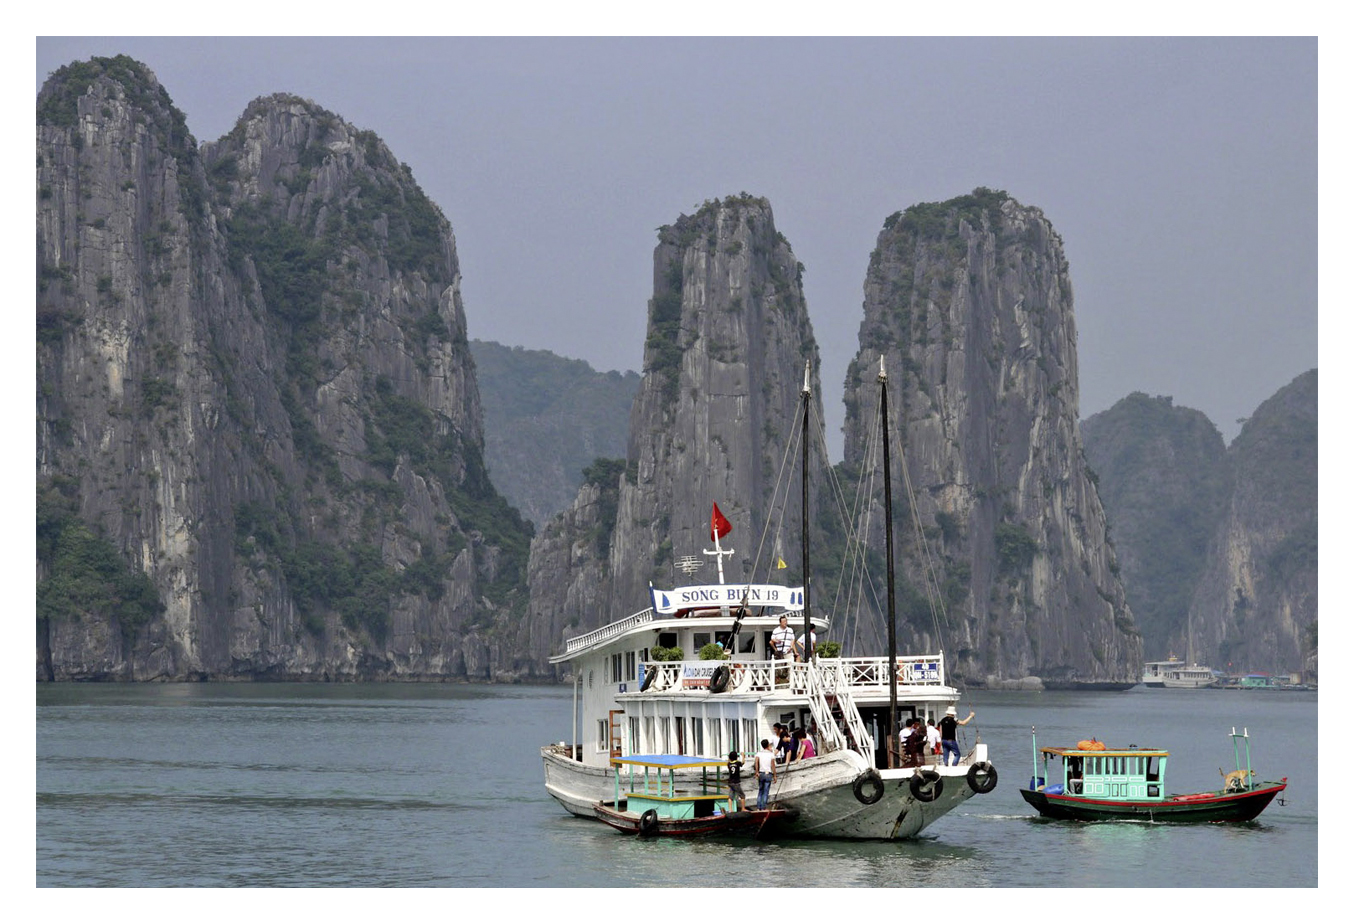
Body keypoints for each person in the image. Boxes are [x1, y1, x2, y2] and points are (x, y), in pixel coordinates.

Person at [753, 739, 776, 810]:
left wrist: (757, 772)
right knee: (766, 792)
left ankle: (758, 807)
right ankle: (763, 807)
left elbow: (756, 762)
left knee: (760, 791)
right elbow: (773, 766)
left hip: (761, 773)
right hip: (768, 773)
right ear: (768, 745)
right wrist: (775, 775)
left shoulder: (759, 753)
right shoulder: (771, 754)